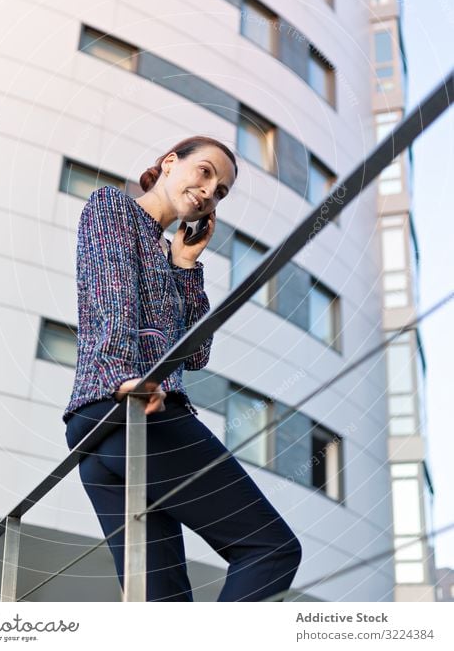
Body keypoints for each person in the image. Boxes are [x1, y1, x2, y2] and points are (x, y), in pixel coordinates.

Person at [63, 135, 302, 601]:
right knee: (271, 549)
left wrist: (186, 264)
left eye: (222, 191)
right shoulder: (114, 207)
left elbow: (195, 355)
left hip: (106, 427)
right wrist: (121, 379)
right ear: (171, 163)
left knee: (166, 605)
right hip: (132, 409)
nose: (210, 190)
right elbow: (111, 295)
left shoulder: (166, 254)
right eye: (205, 172)